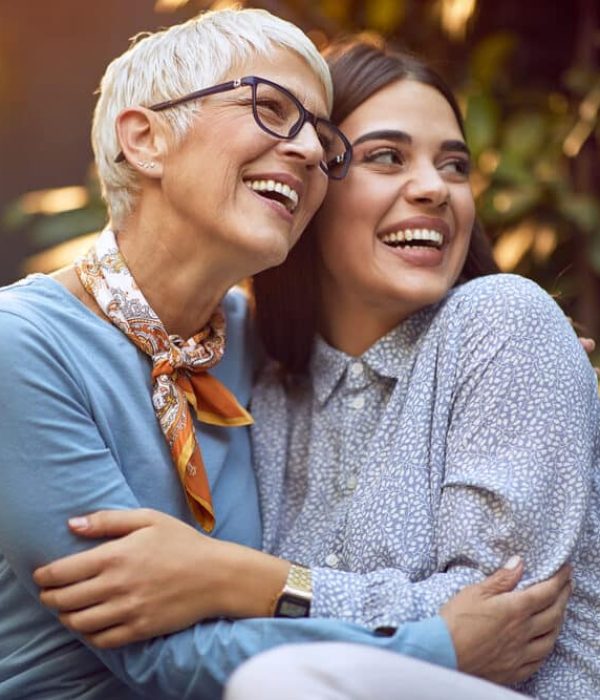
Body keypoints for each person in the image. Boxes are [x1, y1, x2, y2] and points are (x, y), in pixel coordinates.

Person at [0, 11, 569, 700]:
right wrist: (439, 647)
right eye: (270, 109)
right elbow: (152, 655)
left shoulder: (247, 340)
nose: (304, 150)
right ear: (145, 139)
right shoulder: (21, 346)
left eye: (323, 139)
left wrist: (532, 361)